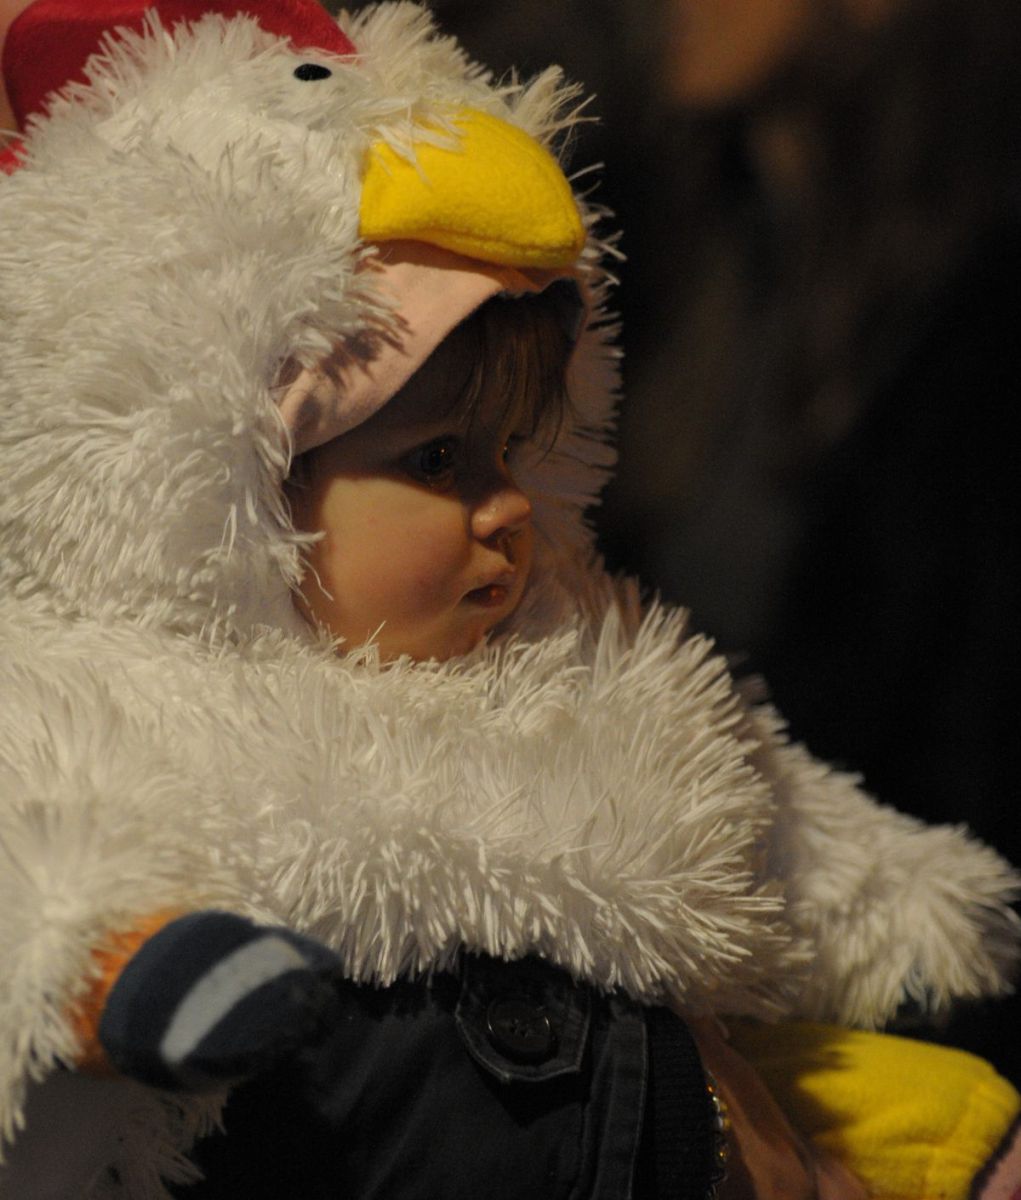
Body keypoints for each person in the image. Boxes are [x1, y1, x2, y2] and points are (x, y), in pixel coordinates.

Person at [0, 2, 1018, 1198]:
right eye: (437, 460)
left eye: (510, 451)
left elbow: (761, 799)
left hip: (687, 1056)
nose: (506, 506)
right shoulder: (135, 700)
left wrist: (893, 921)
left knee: (958, 1117)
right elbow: (38, 864)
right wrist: (136, 972)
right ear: (237, 485)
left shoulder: (563, 633)